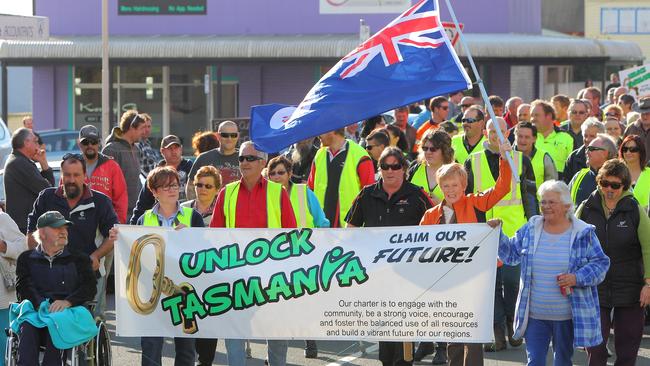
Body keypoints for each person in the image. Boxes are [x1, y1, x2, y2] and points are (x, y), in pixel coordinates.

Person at [496, 180, 610, 366]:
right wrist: (497, 233)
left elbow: (601, 264)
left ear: (566, 205)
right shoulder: (531, 229)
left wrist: (577, 278)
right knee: (535, 362)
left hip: (567, 316)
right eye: (543, 202)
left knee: (563, 362)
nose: (545, 206)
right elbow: (510, 255)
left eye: (551, 202)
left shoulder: (583, 232)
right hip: (535, 315)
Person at [420, 141, 513, 366]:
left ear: (464, 186)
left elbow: (502, 188)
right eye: (446, 186)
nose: (450, 190)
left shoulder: (475, 202)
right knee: (453, 333)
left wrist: (504, 157)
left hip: (475, 278)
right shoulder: (431, 215)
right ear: (440, 187)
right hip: (445, 281)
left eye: (455, 185)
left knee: (472, 334)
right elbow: (421, 249)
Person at [209, 141, 296, 366]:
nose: (244, 163)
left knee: (276, 334)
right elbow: (214, 236)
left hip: (273, 276)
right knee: (234, 333)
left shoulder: (278, 192)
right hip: (235, 275)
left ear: (263, 162)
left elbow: (291, 235)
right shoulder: (226, 193)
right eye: (241, 159)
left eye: (250, 158)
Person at [347, 147, 434, 366]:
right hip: (378, 275)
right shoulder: (366, 194)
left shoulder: (417, 195)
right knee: (385, 339)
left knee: (404, 338)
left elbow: (437, 226)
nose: (390, 170)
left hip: (409, 274)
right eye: (385, 166)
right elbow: (351, 230)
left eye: (395, 166)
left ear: (404, 169)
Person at [465, 117, 538, 353]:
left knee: (512, 283)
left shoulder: (521, 159)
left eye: (501, 131)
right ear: (486, 134)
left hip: (515, 233)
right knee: (491, 286)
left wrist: (534, 223)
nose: (497, 136)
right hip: (485, 232)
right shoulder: (472, 161)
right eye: (492, 132)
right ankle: (497, 332)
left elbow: (529, 196)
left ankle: (511, 324)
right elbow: (468, 199)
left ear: (508, 133)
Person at [574, 160, 650, 365]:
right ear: (599, 183)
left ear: (624, 186)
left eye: (615, 185)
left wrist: (648, 284)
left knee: (627, 351)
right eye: (605, 183)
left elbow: (648, 247)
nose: (609, 189)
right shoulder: (587, 207)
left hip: (630, 286)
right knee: (595, 349)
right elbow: (571, 242)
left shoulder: (634, 209)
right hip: (594, 287)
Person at [26, 154, 119, 318]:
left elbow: (112, 236)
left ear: (85, 176)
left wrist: (96, 256)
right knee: (47, 320)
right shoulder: (46, 198)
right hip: (51, 273)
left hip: (87, 273)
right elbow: (32, 233)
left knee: (87, 322)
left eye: (76, 175)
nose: (71, 179)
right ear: (61, 175)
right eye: (67, 175)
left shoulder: (100, 202)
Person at [136, 167, 203, 366]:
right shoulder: (143, 220)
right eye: (165, 186)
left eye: (174, 185)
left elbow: (204, 254)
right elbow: (136, 256)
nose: (172, 189)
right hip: (153, 294)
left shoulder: (193, 217)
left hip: (185, 292)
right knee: (151, 347)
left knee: (185, 350)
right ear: (154, 192)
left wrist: (190, 236)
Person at [16, 210, 97, 365]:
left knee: (58, 323)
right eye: (57, 228)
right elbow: (24, 287)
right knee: (27, 325)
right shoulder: (26, 259)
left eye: (65, 228)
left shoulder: (79, 259)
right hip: (37, 311)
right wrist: (41, 304)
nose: (63, 232)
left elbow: (89, 287)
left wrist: (67, 302)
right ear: (42, 233)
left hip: (68, 311)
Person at [308, 128, 374, 228]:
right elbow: (310, 191)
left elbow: (370, 195)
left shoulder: (360, 155)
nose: (318, 135)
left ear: (333, 130)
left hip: (350, 229)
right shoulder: (319, 155)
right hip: (321, 228)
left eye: (322, 130)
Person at [130, 135, 194, 223]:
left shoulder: (193, 169)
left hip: (188, 218)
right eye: (169, 148)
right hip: (161, 220)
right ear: (162, 151)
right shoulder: (155, 174)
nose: (173, 151)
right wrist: (132, 227)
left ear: (181, 149)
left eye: (176, 147)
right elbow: (143, 204)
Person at [3, 128, 54, 233]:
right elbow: (47, 190)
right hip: (24, 228)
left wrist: (43, 162)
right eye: (35, 141)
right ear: (26, 143)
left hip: (27, 225)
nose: (38, 145)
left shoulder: (22, 161)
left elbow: (48, 189)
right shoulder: (19, 163)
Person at [77, 125, 128, 224]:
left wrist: (118, 224)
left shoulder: (112, 166)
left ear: (99, 143)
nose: (90, 145)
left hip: (105, 224)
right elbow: (64, 194)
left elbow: (121, 198)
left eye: (94, 142)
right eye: (86, 142)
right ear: (80, 144)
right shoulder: (72, 165)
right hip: (78, 223)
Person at [102, 110, 147, 222]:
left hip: (134, 211)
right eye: (142, 128)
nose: (144, 132)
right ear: (132, 127)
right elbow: (105, 183)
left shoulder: (136, 149)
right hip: (117, 213)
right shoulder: (111, 149)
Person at [186, 120, 241, 200]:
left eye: (233, 135)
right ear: (218, 136)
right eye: (225, 135)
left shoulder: (246, 158)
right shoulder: (203, 158)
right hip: (209, 211)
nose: (229, 138)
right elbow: (191, 186)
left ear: (238, 136)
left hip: (238, 210)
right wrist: (197, 210)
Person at [0, 210, 27, 366]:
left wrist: (4, 246)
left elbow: (23, 247)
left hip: (2, 300)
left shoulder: (2, 218)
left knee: (4, 349)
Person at [530, 100, 574, 181]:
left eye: (536, 115)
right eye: (531, 115)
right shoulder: (527, 137)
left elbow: (573, 166)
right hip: (530, 188)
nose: (533, 119)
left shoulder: (567, 138)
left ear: (549, 116)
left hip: (557, 188)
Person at [569, 134, 618, 205]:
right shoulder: (579, 175)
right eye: (587, 149)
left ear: (605, 153)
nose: (587, 152)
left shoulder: (619, 178)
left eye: (591, 149)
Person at [407, 130, 454, 205]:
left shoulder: (454, 173)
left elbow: (461, 210)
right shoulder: (415, 167)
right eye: (425, 148)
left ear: (445, 150)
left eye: (433, 149)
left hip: (443, 216)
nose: (428, 152)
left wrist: (440, 204)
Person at [513, 122, 557, 190]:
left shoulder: (545, 158)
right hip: (512, 201)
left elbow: (552, 187)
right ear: (515, 137)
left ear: (534, 139)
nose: (523, 140)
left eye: (527, 137)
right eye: (520, 136)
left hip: (536, 200)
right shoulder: (506, 157)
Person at [563, 118, 604, 185]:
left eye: (592, 136)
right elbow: (566, 183)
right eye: (585, 136)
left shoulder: (608, 154)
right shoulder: (573, 157)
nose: (587, 139)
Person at [619, 135, 650, 212]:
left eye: (633, 149)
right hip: (621, 220)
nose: (628, 152)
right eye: (625, 149)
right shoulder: (616, 174)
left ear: (641, 151)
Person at [624, 96, 650, 163]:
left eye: (648, 113)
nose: (645, 116)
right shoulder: (631, 128)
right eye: (642, 113)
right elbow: (622, 148)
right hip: (634, 168)